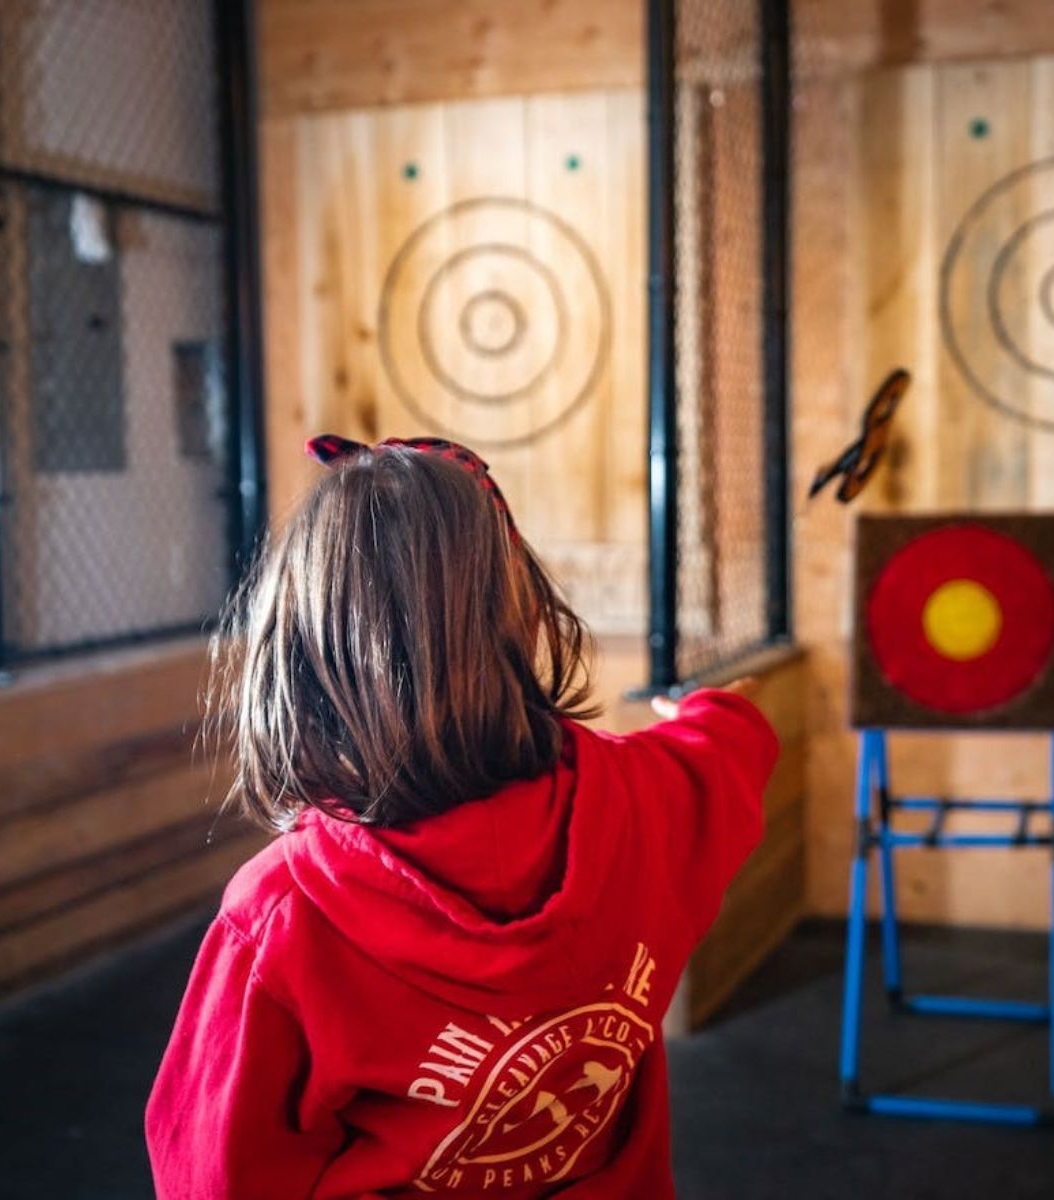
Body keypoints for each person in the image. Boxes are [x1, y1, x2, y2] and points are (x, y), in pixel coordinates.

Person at [146, 435, 778, 1198]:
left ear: (307, 651)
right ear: (519, 617)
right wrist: (707, 709)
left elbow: (215, 1178)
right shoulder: (652, 794)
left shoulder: (281, 915)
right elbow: (730, 741)